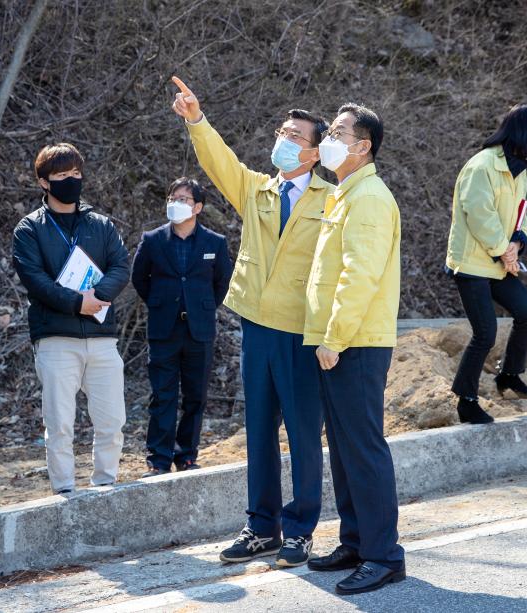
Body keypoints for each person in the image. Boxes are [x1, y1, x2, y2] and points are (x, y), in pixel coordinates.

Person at [171, 76, 332, 568]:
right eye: (282, 131)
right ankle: (262, 526)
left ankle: (300, 529)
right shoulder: (259, 190)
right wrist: (197, 120)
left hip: (302, 329)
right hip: (258, 325)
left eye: (295, 136)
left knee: (303, 433)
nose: (284, 139)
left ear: (315, 152)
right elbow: (220, 163)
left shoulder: (332, 199)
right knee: (260, 430)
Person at [303, 103, 406, 595]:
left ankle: (384, 556)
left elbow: (358, 276)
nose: (328, 138)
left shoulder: (369, 198)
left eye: (339, 132)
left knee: (363, 448)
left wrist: (334, 339)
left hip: (355, 342)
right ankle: (357, 542)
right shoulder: (345, 193)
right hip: (340, 339)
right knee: (344, 450)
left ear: (363, 147)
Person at [12, 143, 130, 494]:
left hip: (102, 336)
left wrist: (98, 297)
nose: (71, 180)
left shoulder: (101, 224)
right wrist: (77, 303)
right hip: (56, 337)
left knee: (112, 421)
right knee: (60, 423)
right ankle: (64, 491)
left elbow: (120, 266)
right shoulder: (29, 229)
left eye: (76, 174)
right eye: (62, 175)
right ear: (44, 182)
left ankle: (105, 485)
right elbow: (35, 280)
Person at [445, 105, 527, 424]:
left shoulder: (519, 172)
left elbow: (521, 215)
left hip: (499, 262)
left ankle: (509, 375)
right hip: (471, 265)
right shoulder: (482, 166)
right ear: (524, 133)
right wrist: (505, 251)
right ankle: (466, 401)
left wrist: (517, 243)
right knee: (485, 333)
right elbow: (480, 215)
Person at [131, 177, 233, 477]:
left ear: (198, 207)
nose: (176, 204)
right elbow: (139, 278)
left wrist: (202, 307)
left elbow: (222, 283)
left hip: (199, 330)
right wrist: (160, 304)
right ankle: (158, 458)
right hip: (163, 329)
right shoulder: (153, 240)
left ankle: (187, 454)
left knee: (195, 396)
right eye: (172, 198)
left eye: (184, 199)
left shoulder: (215, 242)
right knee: (162, 395)